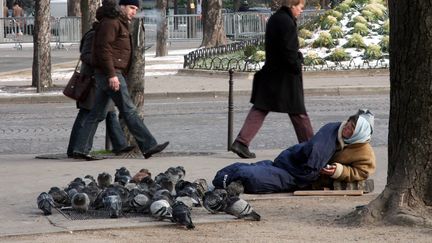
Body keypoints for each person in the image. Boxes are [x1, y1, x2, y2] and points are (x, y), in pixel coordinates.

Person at [72, 0, 169, 160]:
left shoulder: (117, 22)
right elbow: (104, 49)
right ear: (121, 7)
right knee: (129, 110)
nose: (134, 11)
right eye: (131, 7)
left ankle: (80, 149)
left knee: (96, 114)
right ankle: (149, 145)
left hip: (111, 73)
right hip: (111, 73)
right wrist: (112, 75)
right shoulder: (111, 22)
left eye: (136, 9)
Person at [213, 109, 376, 194]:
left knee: (252, 175)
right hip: (292, 162)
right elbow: (313, 150)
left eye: (352, 128)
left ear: (359, 133)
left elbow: (362, 172)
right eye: (348, 123)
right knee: (247, 169)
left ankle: (225, 181)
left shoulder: (364, 151)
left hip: (300, 174)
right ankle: (224, 178)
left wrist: (338, 171)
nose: (347, 128)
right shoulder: (334, 129)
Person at [230, 0, 313, 159]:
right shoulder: (286, 21)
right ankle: (311, 147)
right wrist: (297, 63)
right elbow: (289, 50)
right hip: (285, 75)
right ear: (292, 5)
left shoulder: (277, 18)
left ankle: (242, 141)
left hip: (272, 72)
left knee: (261, 107)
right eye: (300, 7)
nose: (301, 11)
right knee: (298, 111)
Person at [67, 10, 135, 159]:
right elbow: (86, 55)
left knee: (110, 113)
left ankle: (120, 145)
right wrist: (102, 61)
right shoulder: (93, 35)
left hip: (99, 79)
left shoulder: (100, 33)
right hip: (91, 80)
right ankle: (74, 149)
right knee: (86, 114)